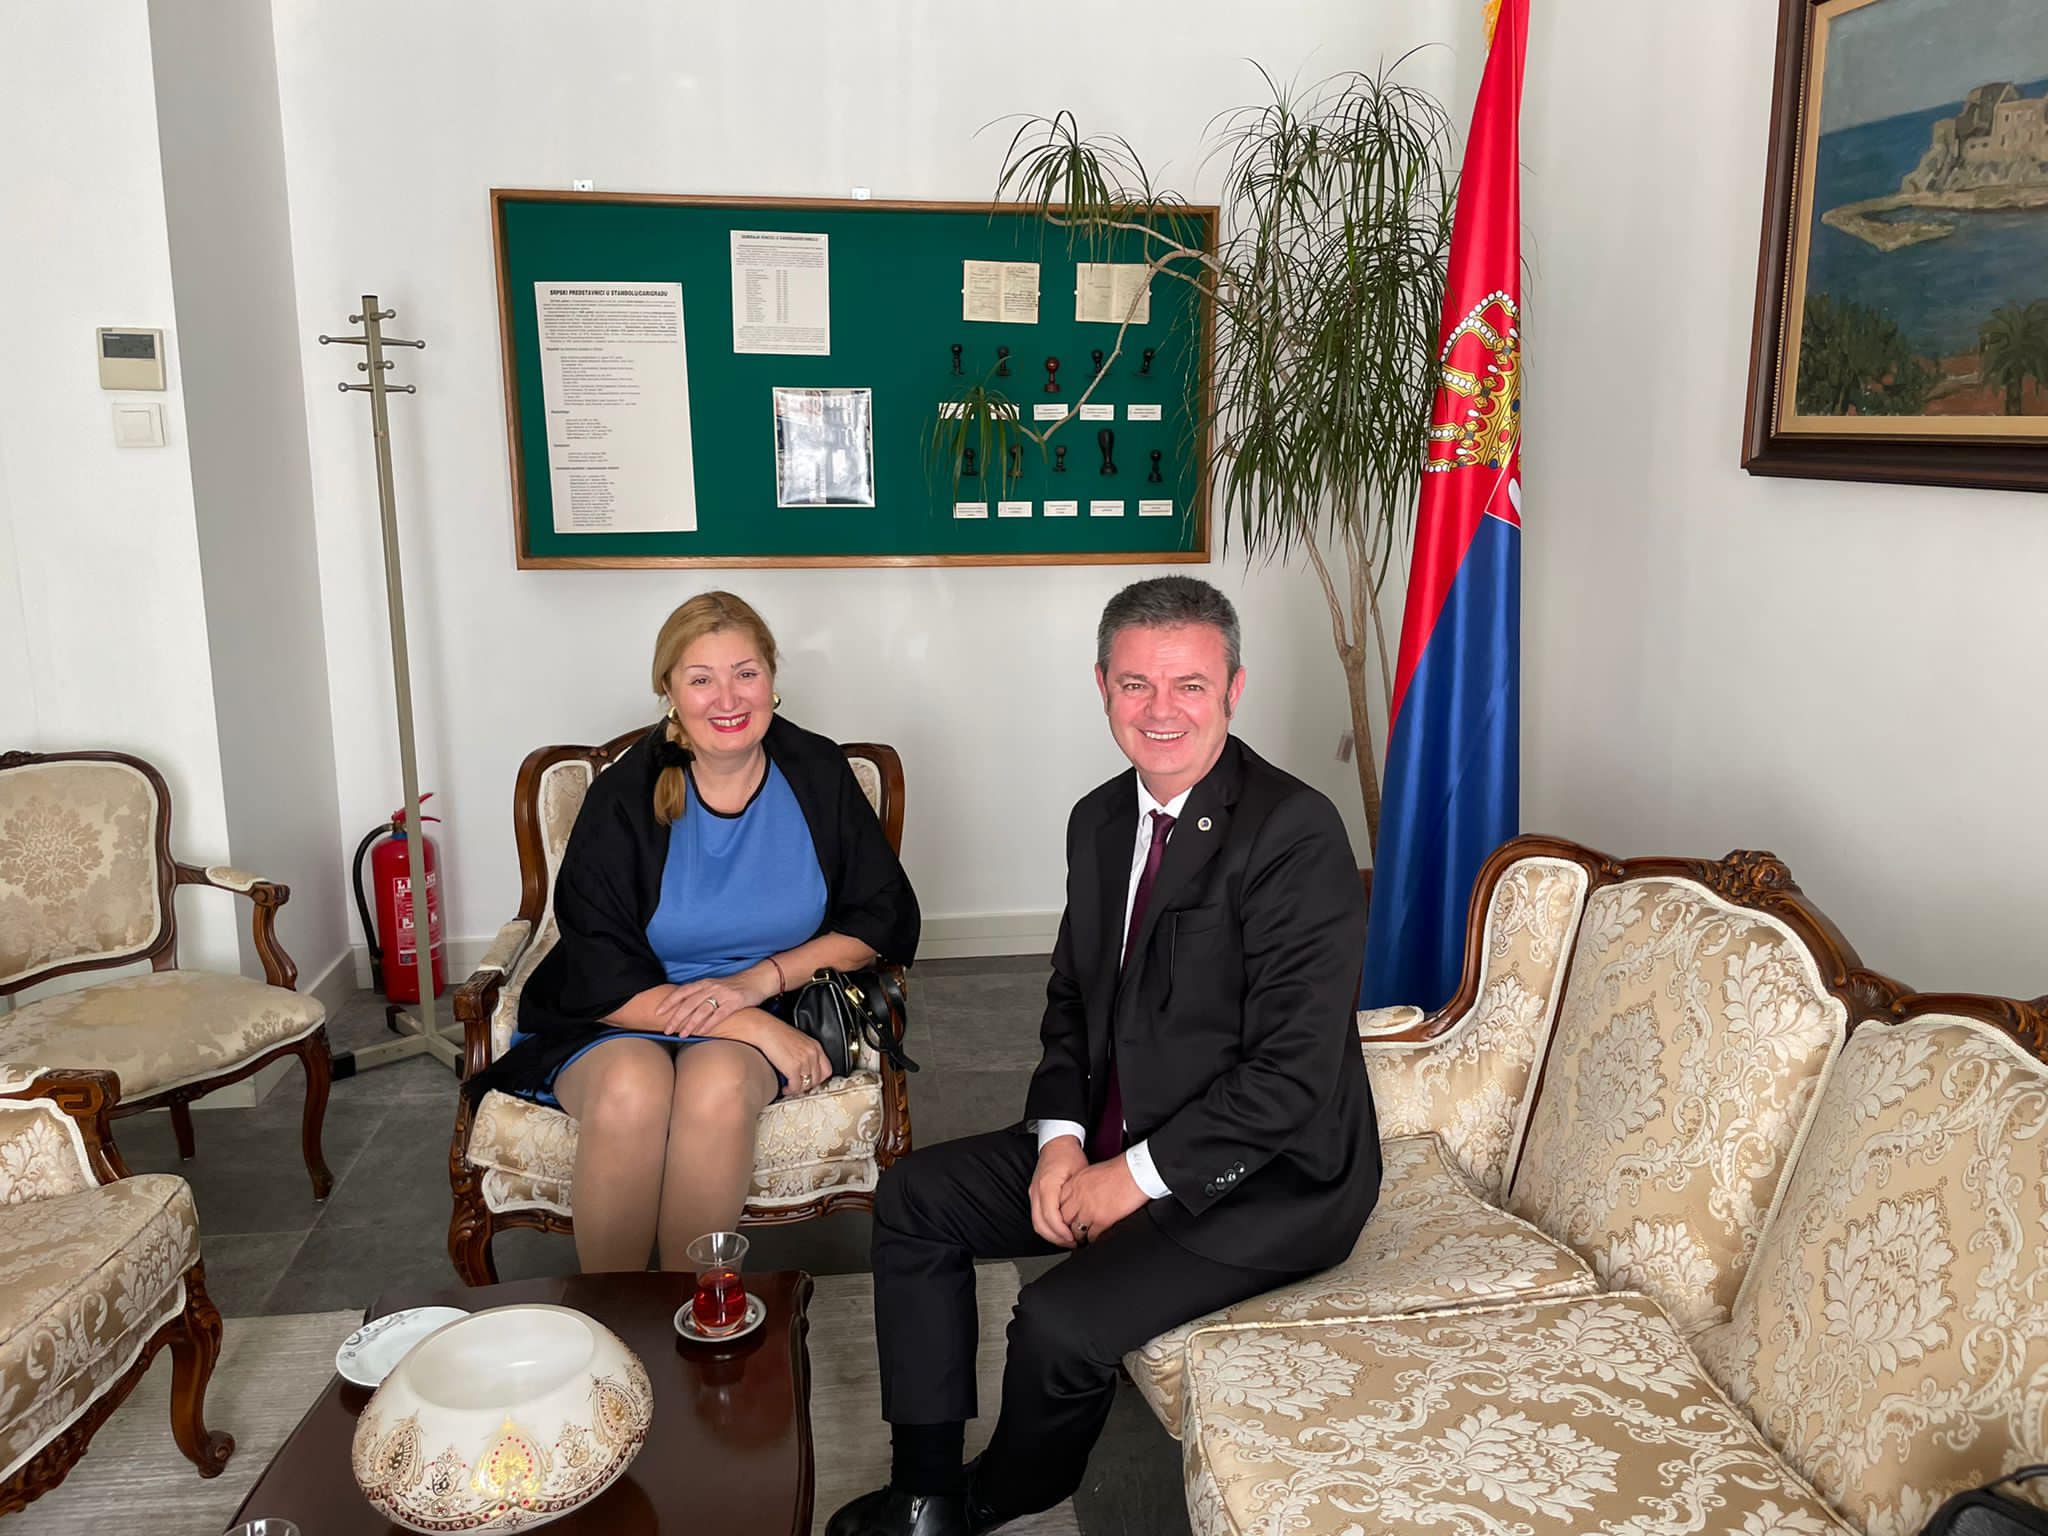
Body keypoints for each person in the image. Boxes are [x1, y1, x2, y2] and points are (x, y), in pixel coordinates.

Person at [828, 576, 1379, 1536]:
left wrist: (1130, 1178)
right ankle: (925, 1489)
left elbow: (1290, 1076)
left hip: (1263, 1178)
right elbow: (1073, 1001)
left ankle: (995, 1498)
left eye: (1190, 684)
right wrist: (1059, 1142)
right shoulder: (1099, 818)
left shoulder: (1295, 832)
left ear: (1234, 688)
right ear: (1102, 687)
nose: (1161, 709)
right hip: (1115, 1131)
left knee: (1057, 1327)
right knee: (914, 1201)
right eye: (1136, 684)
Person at [476, 591, 920, 1273]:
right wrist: (745, 1022)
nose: (728, 699)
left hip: (774, 998)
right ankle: (617, 1321)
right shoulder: (623, 794)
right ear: (670, 691)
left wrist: (759, 985)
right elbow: (596, 966)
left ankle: (693, 1316)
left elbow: (883, 916)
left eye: (746, 673)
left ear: (772, 679)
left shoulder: (817, 773)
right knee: (632, 1088)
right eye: (701, 678)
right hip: (620, 1010)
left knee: (715, 1089)